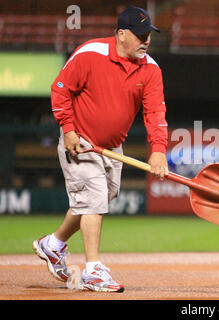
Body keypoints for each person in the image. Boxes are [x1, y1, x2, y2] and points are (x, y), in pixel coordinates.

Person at [32, 7, 169, 293]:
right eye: (140, 35)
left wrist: (158, 150)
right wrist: (68, 129)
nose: (146, 40)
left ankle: (53, 244)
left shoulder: (151, 69)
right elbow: (60, 90)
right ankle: (93, 270)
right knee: (93, 198)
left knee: (97, 200)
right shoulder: (90, 53)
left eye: (149, 35)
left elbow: (155, 112)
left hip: (110, 146)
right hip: (80, 141)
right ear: (121, 35)